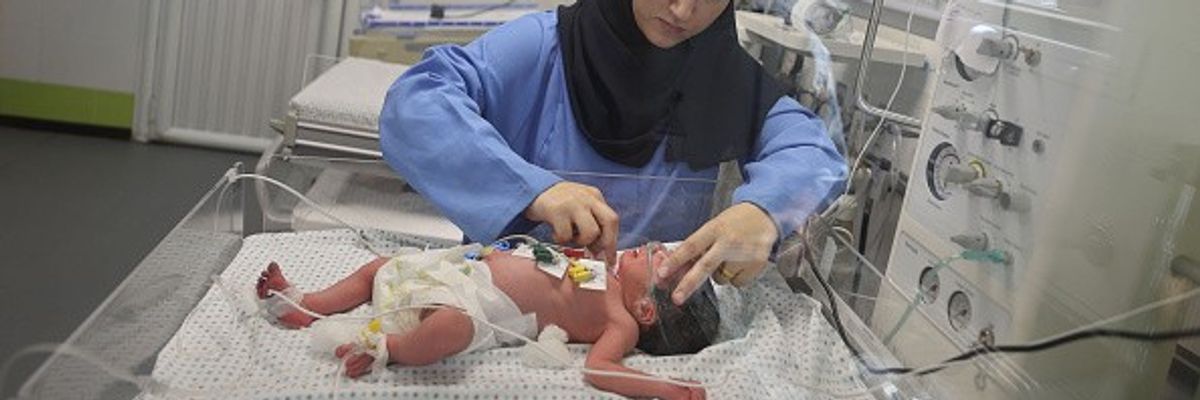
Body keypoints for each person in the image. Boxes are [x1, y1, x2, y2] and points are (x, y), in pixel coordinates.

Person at [379, 0, 846, 307]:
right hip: (508, 309)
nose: (683, 10)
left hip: (646, 323)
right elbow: (416, 103)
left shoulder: (727, 78)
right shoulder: (543, 47)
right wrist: (534, 189)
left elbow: (812, 151)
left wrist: (765, 210)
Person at [256, 242, 718, 400]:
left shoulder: (621, 321)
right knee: (381, 267)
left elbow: (598, 369)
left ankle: (387, 350)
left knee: (449, 329)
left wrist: (665, 389)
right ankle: (306, 302)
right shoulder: (609, 271)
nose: (656, 247)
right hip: (461, 271)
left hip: (483, 307)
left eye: (659, 258)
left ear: (647, 309)